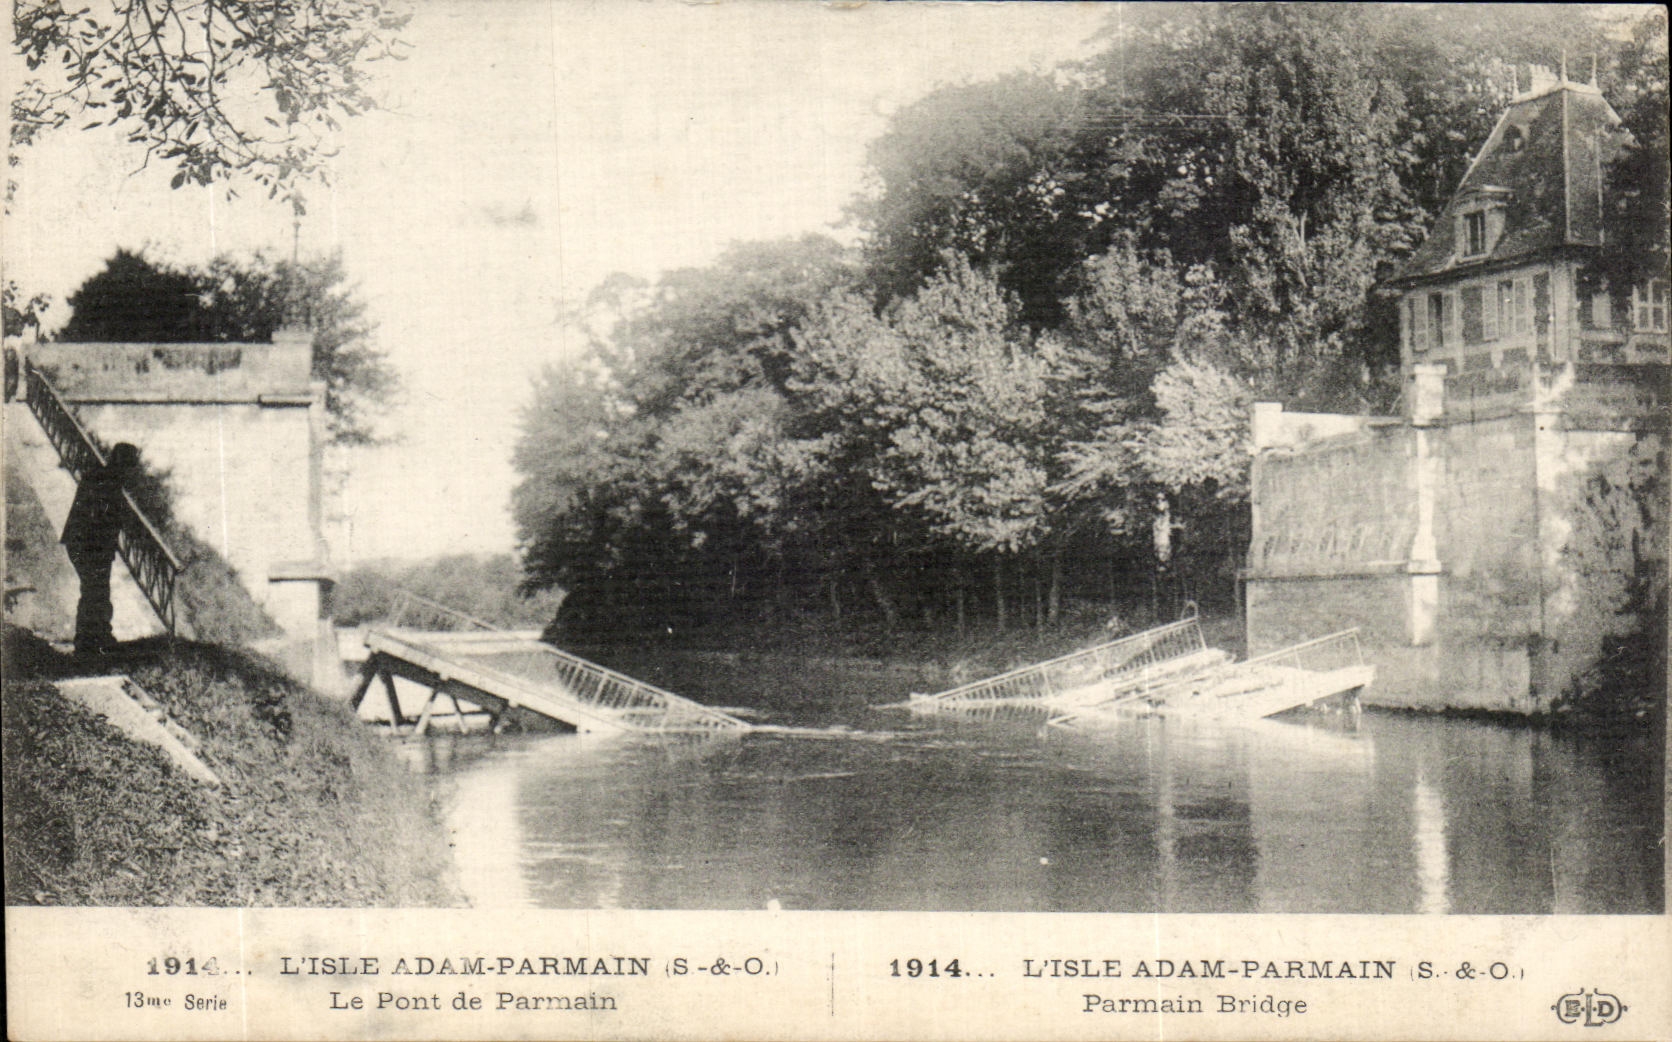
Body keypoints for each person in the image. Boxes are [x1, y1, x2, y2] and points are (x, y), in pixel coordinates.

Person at [61, 442, 140, 658]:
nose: (130, 472)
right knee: (94, 590)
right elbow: (99, 518)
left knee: (95, 590)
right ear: (122, 464)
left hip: (85, 543)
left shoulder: (102, 477)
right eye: (130, 466)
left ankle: (94, 638)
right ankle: (90, 641)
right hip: (89, 545)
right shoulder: (106, 482)